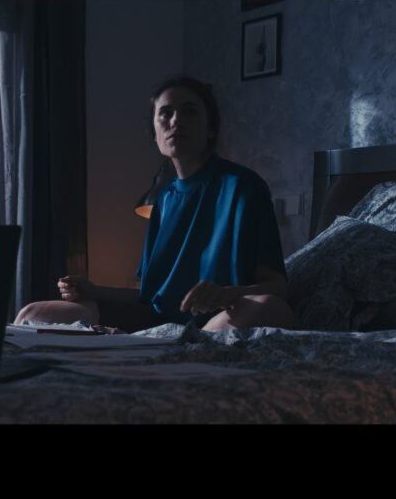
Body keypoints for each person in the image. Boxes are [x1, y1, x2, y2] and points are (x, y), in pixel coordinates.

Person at [15, 75, 293, 332]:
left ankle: (184, 348)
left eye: (189, 111)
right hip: (157, 322)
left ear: (211, 129)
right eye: (166, 113)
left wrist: (229, 294)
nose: (176, 121)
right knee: (34, 313)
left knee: (268, 307)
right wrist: (94, 290)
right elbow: (150, 296)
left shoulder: (244, 187)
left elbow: (277, 287)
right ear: (155, 132)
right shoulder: (164, 201)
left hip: (219, 320)